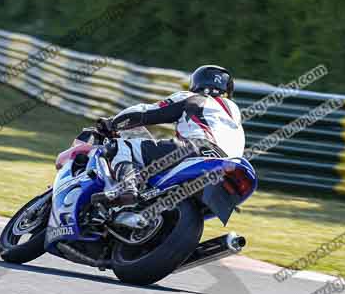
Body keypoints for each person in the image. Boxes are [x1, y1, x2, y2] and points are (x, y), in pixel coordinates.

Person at [95, 64, 245, 204]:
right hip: (233, 164)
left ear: (197, 83)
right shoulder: (234, 112)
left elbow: (145, 113)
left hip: (199, 149)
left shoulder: (193, 98)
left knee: (124, 146)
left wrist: (112, 123)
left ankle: (126, 189)